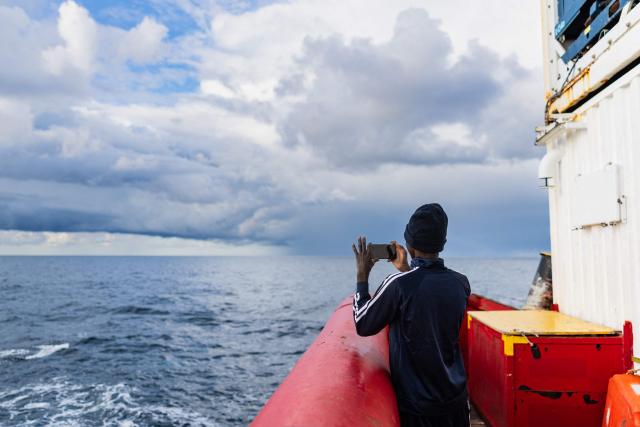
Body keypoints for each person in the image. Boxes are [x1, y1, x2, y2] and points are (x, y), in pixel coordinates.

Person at [352, 203, 471, 427]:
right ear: (442, 243)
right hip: (455, 400)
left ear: (409, 243)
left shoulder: (398, 285)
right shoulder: (460, 283)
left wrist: (362, 276)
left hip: (418, 407)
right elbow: (427, 299)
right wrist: (407, 269)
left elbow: (363, 323)